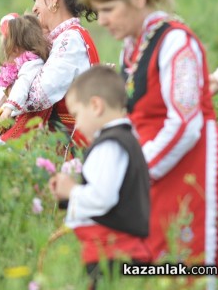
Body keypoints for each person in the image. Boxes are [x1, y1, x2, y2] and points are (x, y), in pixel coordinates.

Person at [77, 0, 218, 279]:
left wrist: (133, 174)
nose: (102, 20)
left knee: (182, 263)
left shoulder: (177, 42)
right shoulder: (132, 46)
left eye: (108, 9)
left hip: (187, 166)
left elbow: (185, 124)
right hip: (153, 166)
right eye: (98, 11)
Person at [49, 65, 151, 289]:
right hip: (119, 249)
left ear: (95, 106)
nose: (77, 124)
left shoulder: (109, 146)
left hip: (112, 251)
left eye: (76, 114)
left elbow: (102, 198)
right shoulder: (126, 139)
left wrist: (71, 191)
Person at [24, 0, 101, 148]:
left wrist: (15, 87)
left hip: (68, 145)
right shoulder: (62, 38)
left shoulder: (70, 41)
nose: (34, 8)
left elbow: (37, 96)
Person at [0, 13, 51, 142]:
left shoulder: (32, 64)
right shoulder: (16, 66)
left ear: (16, 48)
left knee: (4, 142)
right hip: (14, 114)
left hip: (25, 118)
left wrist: (9, 107)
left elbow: (22, 85)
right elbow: (3, 88)